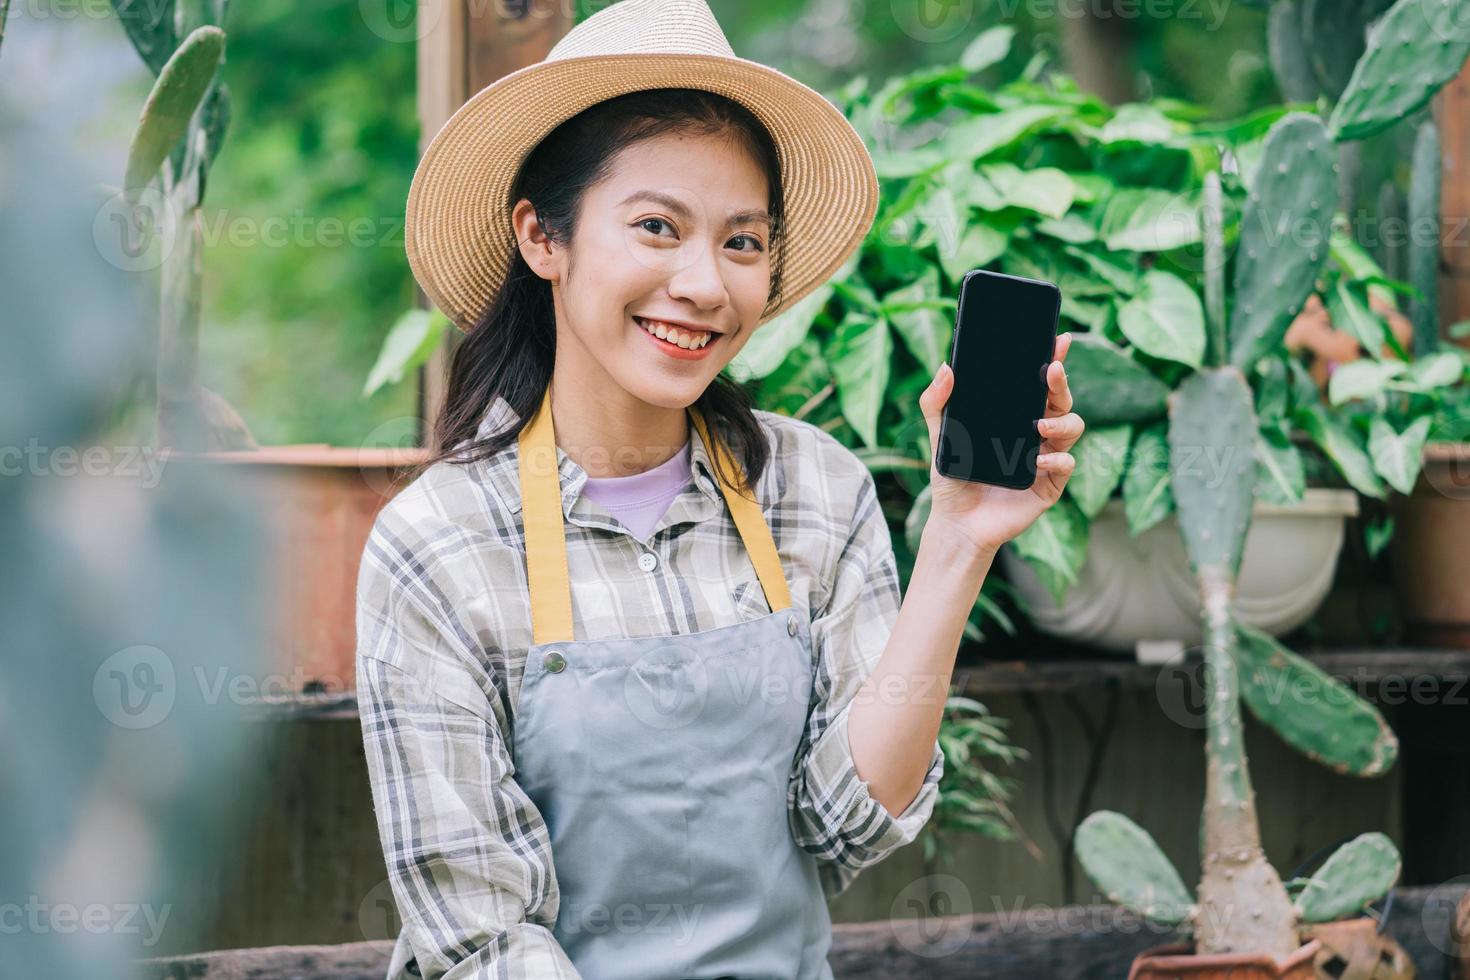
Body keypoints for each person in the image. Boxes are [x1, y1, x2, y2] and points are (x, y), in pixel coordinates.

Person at [354, 0, 1083, 977]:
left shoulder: (814, 488)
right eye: (658, 226)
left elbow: (847, 825)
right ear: (543, 237)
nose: (705, 283)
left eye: (743, 242)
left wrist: (958, 544)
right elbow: (480, 938)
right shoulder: (437, 543)